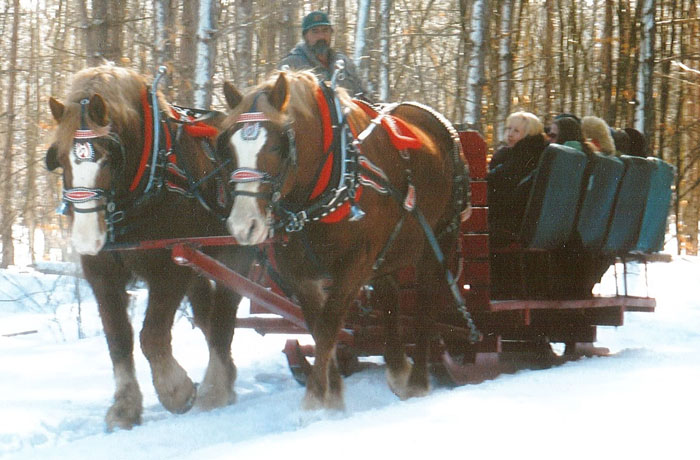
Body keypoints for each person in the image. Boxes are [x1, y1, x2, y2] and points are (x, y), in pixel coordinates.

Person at [487, 111, 548, 244]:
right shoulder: (517, 153)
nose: (510, 134)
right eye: (508, 129)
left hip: (509, 221)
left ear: (528, 134)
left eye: (516, 131)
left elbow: (495, 182)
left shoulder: (524, 155)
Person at [279, 11, 367, 98]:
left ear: (331, 33)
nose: (321, 36)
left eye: (325, 30)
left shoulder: (344, 63)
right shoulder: (291, 65)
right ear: (305, 36)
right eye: (315, 31)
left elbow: (363, 98)